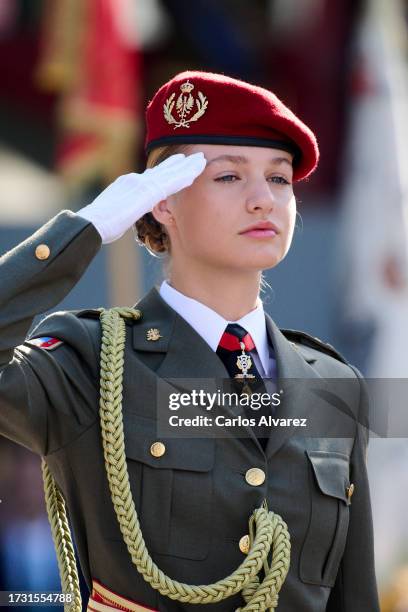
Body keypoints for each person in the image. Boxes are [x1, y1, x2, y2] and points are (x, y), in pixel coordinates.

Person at [0, 70, 380, 612]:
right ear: (162, 203)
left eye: (279, 178)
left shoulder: (335, 386)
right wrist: (80, 233)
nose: (262, 200)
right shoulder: (91, 360)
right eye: (229, 177)